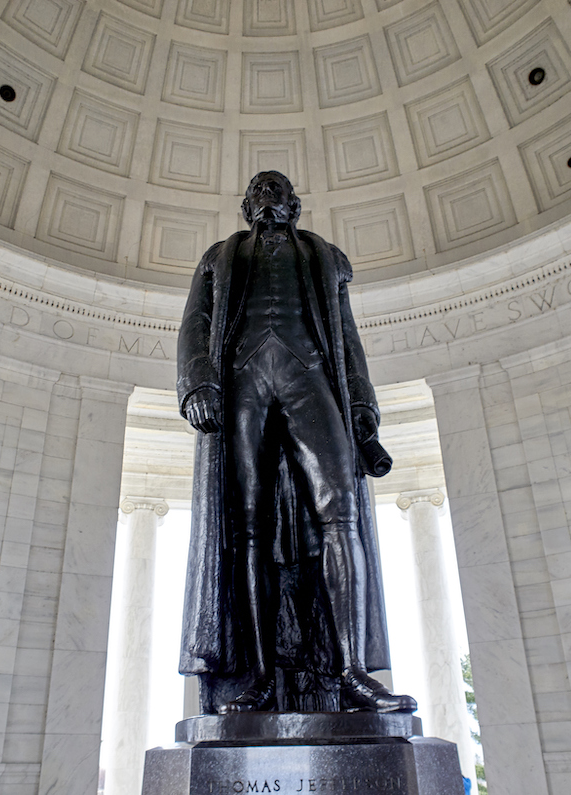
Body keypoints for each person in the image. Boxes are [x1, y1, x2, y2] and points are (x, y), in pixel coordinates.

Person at [176, 171, 416, 714]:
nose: (266, 197)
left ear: (295, 204)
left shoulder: (323, 256)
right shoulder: (220, 257)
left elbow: (346, 334)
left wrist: (360, 402)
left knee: (342, 511)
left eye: (275, 189)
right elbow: (195, 322)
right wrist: (196, 381)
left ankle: (352, 671)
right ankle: (259, 675)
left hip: (310, 374)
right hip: (242, 380)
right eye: (257, 191)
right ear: (245, 206)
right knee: (249, 527)